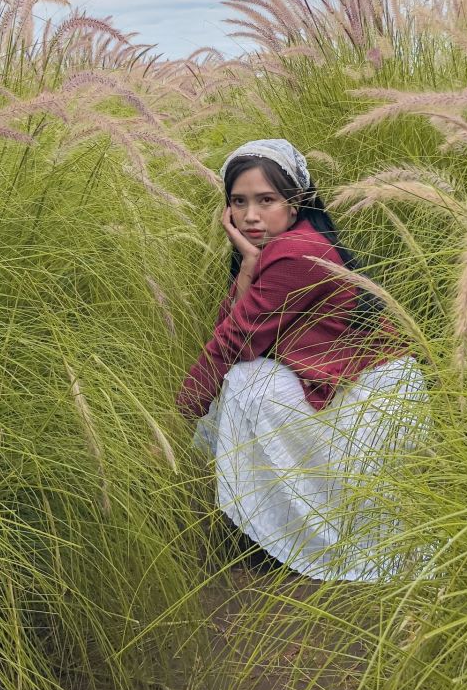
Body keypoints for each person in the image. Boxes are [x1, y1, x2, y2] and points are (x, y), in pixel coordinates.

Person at [175, 138, 430, 582]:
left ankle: (274, 533)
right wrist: (249, 263)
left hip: (371, 397)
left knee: (245, 379)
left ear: (295, 203)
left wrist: (177, 418)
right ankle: (266, 526)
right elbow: (232, 327)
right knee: (248, 377)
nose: (250, 216)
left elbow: (233, 340)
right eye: (238, 201)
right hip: (348, 382)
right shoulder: (284, 246)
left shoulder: (296, 252)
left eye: (266, 200)